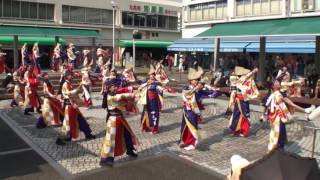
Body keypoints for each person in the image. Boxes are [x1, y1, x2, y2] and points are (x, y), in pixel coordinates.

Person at [178, 66, 222, 150]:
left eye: (197, 80)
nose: (196, 82)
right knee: (185, 126)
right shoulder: (186, 88)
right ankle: (186, 141)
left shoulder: (200, 90)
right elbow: (188, 94)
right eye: (194, 80)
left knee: (193, 126)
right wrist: (197, 88)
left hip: (194, 111)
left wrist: (211, 88)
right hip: (186, 110)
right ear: (190, 80)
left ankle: (193, 143)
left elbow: (211, 93)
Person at [100, 78, 139, 167]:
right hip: (113, 121)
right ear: (109, 88)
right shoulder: (111, 97)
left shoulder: (114, 94)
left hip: (120, 119)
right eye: (113, 86)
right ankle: (105, 159)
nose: (116, 87)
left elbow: (122, 95)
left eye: (115, 86)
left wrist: (133, 91)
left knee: (128, 134)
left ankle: (130, 150)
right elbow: (121, 97)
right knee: (111, 140)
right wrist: (132, 94)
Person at [266, 80, 313, 151]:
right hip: (275, 119)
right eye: (276, 82)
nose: (278, 82)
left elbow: (291, 104)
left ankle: (279, 150)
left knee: (280, 134)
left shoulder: (279, 94)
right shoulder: (273, 95)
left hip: (279, 118)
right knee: (277, 135)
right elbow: (268, 107)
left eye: (278, 82)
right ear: (273, 86)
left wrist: (304, 110)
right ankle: (277, 150)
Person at [58, 70, 95, 144]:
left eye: (72, 75)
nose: (72, 76)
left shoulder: (69, 84)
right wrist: (78, 88)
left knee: (81, 120)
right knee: (67, 124)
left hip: (73, 106)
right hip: (69, 106)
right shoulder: (65, 84)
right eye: (70, 75)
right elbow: (69, 93)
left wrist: (79, 89)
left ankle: (88, 134)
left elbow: (74, 93)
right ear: (66, 76)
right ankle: (59, 139)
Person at [137, 65, 175, 134]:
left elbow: (160, 87)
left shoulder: (157, 83)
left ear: (155, 75)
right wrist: (144, 84)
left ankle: (154, 128)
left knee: (154, 113)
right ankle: (145, 126)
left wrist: (167, 89)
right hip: (147, 100)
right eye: (150, 75)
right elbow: (140, 87)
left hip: (153, 101)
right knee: (146, 113)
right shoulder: (146, 82)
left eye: (153, 75)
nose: (152, 76)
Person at [228, 67, 259, 137]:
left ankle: (244, 131)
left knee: (245, 115)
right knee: (236, 115)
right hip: (238, 99)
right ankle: (236, 130)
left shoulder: (245, 79)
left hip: (244, 100)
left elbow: (246, 78)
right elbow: (233, 89)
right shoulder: (235, 78)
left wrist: (253, 72)